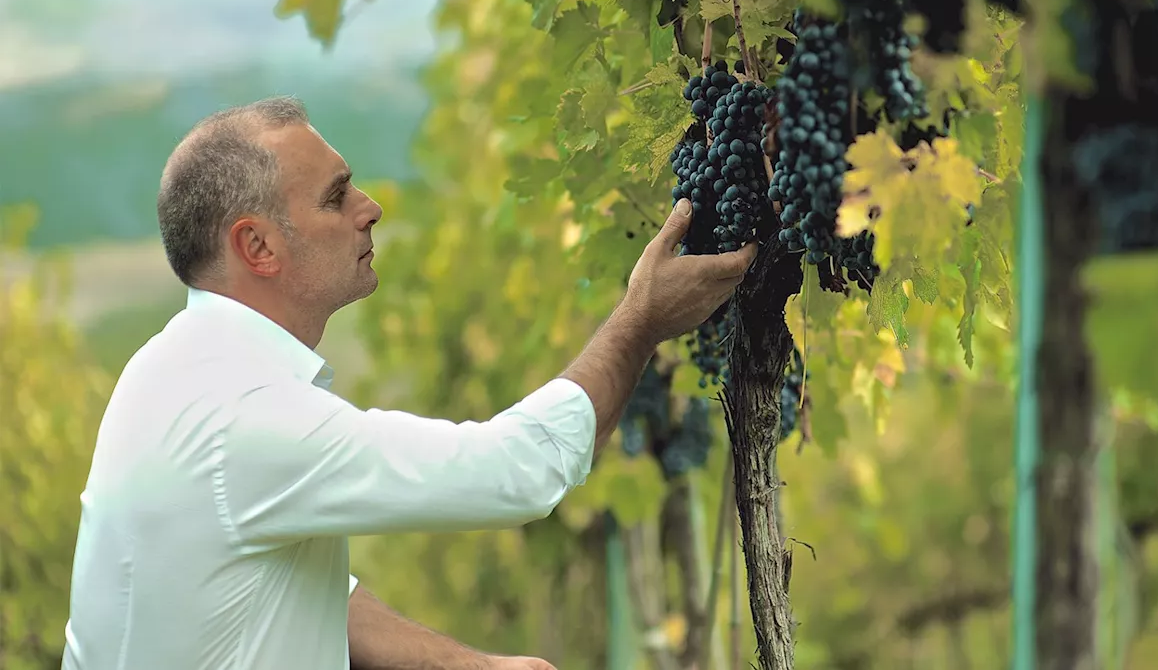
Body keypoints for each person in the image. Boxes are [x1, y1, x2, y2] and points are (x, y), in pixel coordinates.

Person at [59, 96, 757, 670]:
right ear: (258, 247)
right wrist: (640, 321)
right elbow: (515, 470)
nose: (370, 207)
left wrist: (473, 667)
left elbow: (294, 588)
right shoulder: (245, 416)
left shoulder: (168, 369)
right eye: (337, 198)